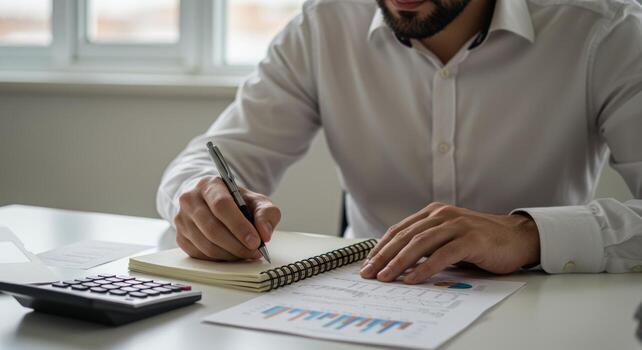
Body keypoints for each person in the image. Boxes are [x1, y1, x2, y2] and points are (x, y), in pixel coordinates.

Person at [157, 0, 642, 284]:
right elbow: (216, 155)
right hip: (360, 300)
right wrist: (200, 196)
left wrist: (529, 234)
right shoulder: (325, 23)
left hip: (545, 307)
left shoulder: (606, 30)